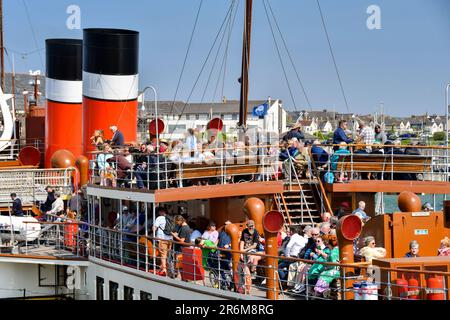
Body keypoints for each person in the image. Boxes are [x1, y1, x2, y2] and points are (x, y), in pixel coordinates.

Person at [152, 207, 173, 276]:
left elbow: (154, 227)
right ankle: (165, 267)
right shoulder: (170, 217)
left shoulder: (159, 218)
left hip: (162, 238)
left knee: (163, 254)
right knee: (167, 254)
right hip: (170, 238)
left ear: (160, 212)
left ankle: (164, 269)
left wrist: (153, 234)